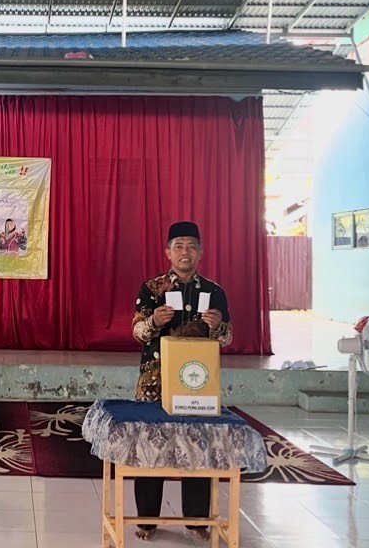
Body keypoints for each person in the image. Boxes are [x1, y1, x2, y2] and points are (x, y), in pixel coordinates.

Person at [130, 221, 233, 543]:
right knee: (151, 444)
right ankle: (147, 520)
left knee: (198, 445)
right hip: (155, 381)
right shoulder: (152, 288)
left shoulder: (214, 292)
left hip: (197, 383)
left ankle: (197, 520)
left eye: (191, 246)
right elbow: (137, 333)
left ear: (200, 252)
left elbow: (227, 339)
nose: (185, 252)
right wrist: (153, 321)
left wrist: (217, 327)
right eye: (178, 246)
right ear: (168, 253)